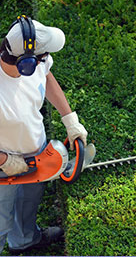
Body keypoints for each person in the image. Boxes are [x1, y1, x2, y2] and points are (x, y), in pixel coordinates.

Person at [0, 15, 88, 254]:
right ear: (25, 62)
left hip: (36, 154)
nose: (46, 60)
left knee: (28, 203)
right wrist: (5, 161)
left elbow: (47, 77)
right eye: (43, 57)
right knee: (1, 217)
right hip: (3, 166)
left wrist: (70, 120)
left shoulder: (36, 65)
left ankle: (24, 240)